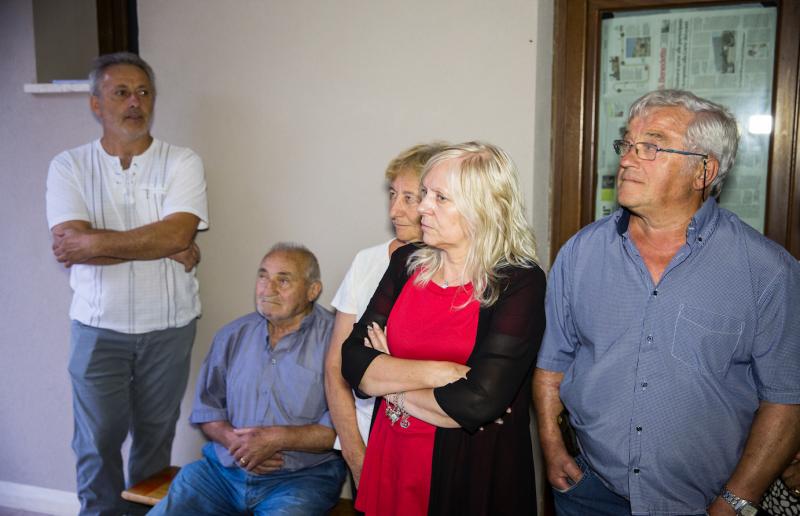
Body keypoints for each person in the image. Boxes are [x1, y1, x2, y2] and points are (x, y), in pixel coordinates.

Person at [534, 89, 800, 516]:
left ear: (703, 171)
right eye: (627, 144)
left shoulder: (767, 271)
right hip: (590, 490)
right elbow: (553, 363)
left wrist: (735, 502)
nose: (626, 159)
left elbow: (785, 400)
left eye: (651, 147)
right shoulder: (581, 253)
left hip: (705, 504)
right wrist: (551, 445)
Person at [341, 141, 546, 515]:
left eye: (440, 197)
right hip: (394, 459)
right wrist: (444, 373)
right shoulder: (407, 262)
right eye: (424, 194)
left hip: (469, 473)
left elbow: (478, 402)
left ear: (482, 208)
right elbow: (353, 360)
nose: (422, 207)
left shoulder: (519, 282)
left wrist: (390, 385)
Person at [45, 52, 208, 516]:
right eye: (121, 93)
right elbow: (70, 246)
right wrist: (161, 242)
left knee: (155, 441)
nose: (135, 102)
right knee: (96, 442)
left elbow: (177, 234)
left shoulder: (182, 161)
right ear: (96, 104)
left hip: (169, 327)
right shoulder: (68, 167)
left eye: (143, 92)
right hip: (98, 328)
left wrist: (97, 241)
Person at [149, 243, 346, 515]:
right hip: (222, 473)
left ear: (313, 290)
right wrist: (235, 442)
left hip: (301, 480)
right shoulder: (232, 335)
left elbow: (344, 427)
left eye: (283, 280)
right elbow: (208, 410)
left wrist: (277, 439)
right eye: (263, 277)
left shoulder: (337, 342)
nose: (268, 289)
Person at [324, 142, 445, 492]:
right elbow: (335, 367)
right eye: (393, 194)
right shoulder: (367, 262)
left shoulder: (455, 269)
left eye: (408, 198)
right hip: (367, 438)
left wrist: (389, 366)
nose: (394, 210)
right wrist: (356, 456)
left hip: (432, 442)